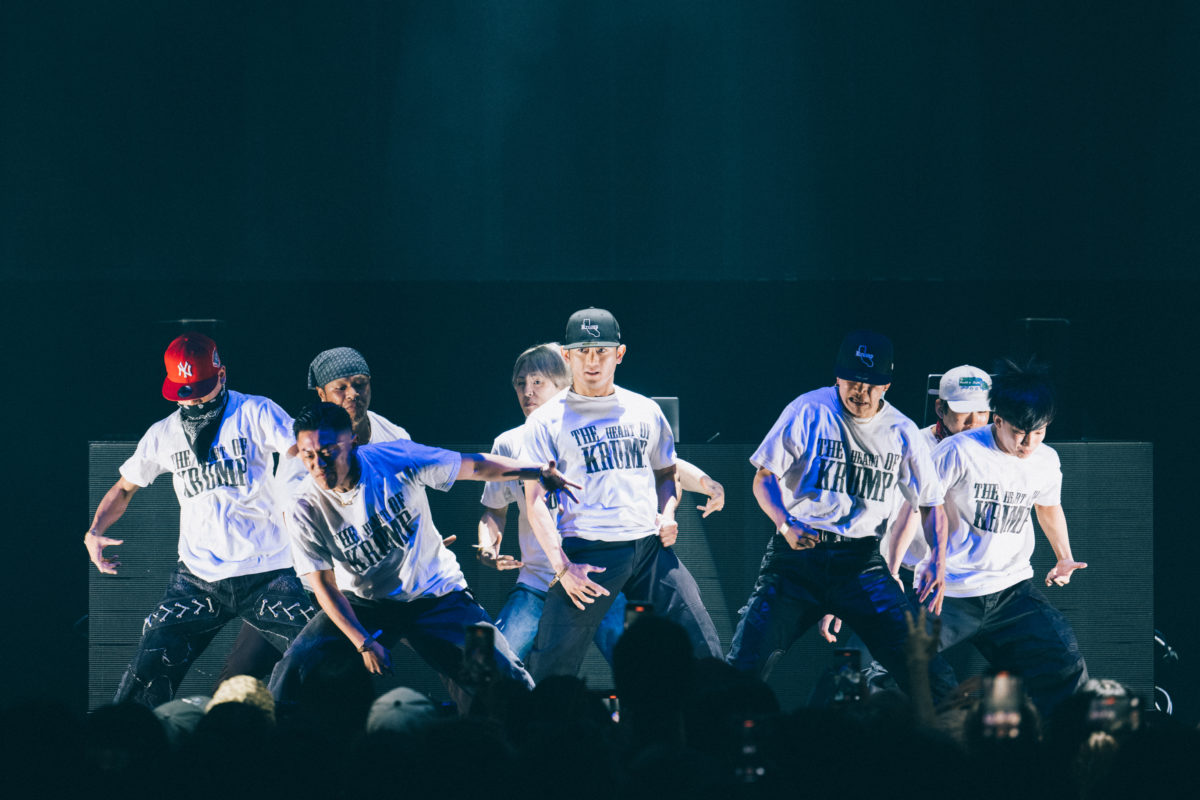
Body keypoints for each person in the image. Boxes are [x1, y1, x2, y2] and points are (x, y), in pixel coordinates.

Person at [268, 402, 578, 708]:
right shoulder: (303, 506)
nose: (319, 465)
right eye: (308, 456)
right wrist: (363, 642)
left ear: (353, 442)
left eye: (328, 452)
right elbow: (323, 585)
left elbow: (474, 466)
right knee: (293, 670)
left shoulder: (396, 458)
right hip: (366, 604)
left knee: (502, 671)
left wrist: (537, 471)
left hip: (436, 597)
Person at [85, 333, 315, 707]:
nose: (192, 400)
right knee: (145, 672)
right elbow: (124, 488)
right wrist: (95, 530)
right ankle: (123, 740)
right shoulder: (163, 434)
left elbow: (302, 451)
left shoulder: (255, 412)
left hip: (268, 572)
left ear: (222, 375)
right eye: (184, 392)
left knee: (324, 656)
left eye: (201, 391)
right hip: (198, 579)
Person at [726, 330, 954, 698]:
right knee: (745, 663)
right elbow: (764, 477)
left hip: (861, 563)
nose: (859, 391)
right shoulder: (808, 409)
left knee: (927, 670)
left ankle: (952, 733)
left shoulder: (902, 431)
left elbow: (931, 503)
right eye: (852, 380)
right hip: (797, 557)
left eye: (870, 384)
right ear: (838, 377)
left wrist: (938, 560)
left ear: (886, 385)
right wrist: (785, 522)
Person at [477, 342, 727, 663]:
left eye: (538, 382)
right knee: (494, 662)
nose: (528, 391)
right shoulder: (508, 443)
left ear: (563, 383)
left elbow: (660, 462)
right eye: (520, 383)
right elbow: (494, 508)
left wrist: (705, 482)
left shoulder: (592, 425)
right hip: (539, 580)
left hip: (598, 575)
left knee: (637, 662)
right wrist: (487, 546)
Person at [214, 346, 412, 688]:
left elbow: (407, 503)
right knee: (239, 674)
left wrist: (414, 541)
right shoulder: (304, 448)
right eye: (341, 388)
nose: (353, 394)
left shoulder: (395, 438)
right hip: (305, 584)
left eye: (360, 384)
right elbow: (298, 518)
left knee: (447, 644)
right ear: (321, 394)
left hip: (374, 585)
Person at [921, 360, 1088, 718]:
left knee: (1064, 661)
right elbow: (924, 504)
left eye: (1038, 433)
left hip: (1011, 592)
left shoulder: (1046, 460)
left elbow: (1048, 507)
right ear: (997, 420)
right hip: (952, 591)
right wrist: (933, 561)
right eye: (1019, 433)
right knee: (901, 659)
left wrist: (1063, 556)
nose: (1028, 443)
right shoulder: (959, 450)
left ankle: (1064, 745)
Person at [820, 363, 993, 644]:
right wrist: (847, 584)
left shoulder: (995, 451)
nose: (974, 422)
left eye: (983, 412)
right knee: (870, 657)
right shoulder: (910, 443)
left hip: (964, 583)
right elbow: (874, 513)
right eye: (964, 411)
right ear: (941, 408)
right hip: (902, 573)